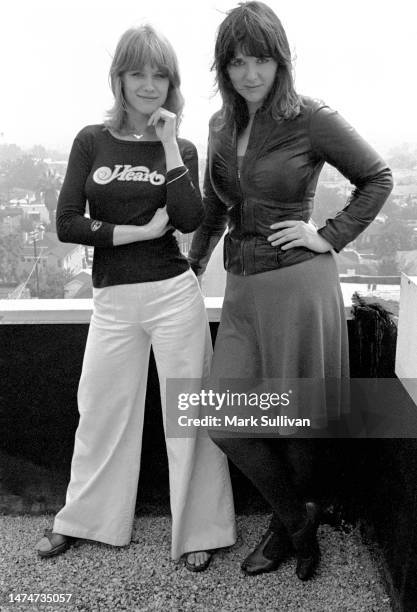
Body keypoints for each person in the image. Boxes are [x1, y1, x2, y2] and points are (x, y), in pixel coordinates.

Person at [188, 1, 393, 580]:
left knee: (295, 421)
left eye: (261, 59)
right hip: (242, 289)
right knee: (225, 419)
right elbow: (214, 204)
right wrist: (194, 261)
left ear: (281, 60)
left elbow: (377, 178)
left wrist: (328, 235)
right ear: (223, 69)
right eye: (236, 62)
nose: (250, 73)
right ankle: (300, 520)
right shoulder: (220, 126)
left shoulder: (311, 117)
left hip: (300, 285)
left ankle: (285, 532)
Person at [35, 24, 236, 572]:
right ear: (118, 79)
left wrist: (169, 143)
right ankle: (84, 520)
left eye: (160, 74)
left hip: (174, 296)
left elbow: (192, 219)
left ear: (171, 83)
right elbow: (67, 223)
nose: (149, 84)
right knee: (100, 410)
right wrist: (139, 234)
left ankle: (202, 530)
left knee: (187, 413)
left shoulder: (182, 147)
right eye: (137, 72)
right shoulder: (90, 141)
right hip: (114, 301)